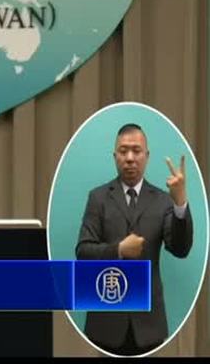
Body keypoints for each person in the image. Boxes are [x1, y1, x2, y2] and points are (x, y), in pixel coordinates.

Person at [76, 123, 193, 355]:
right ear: (115, 156)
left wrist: (180, 203)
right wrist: (118, 249)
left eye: (136, 151)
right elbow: (83, 252)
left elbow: (180, 249)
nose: (130, 158)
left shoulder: (162, 200)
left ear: (147, 156)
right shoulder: (98, 198)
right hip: (106, 322)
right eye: (123, 151)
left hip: (149, 325)